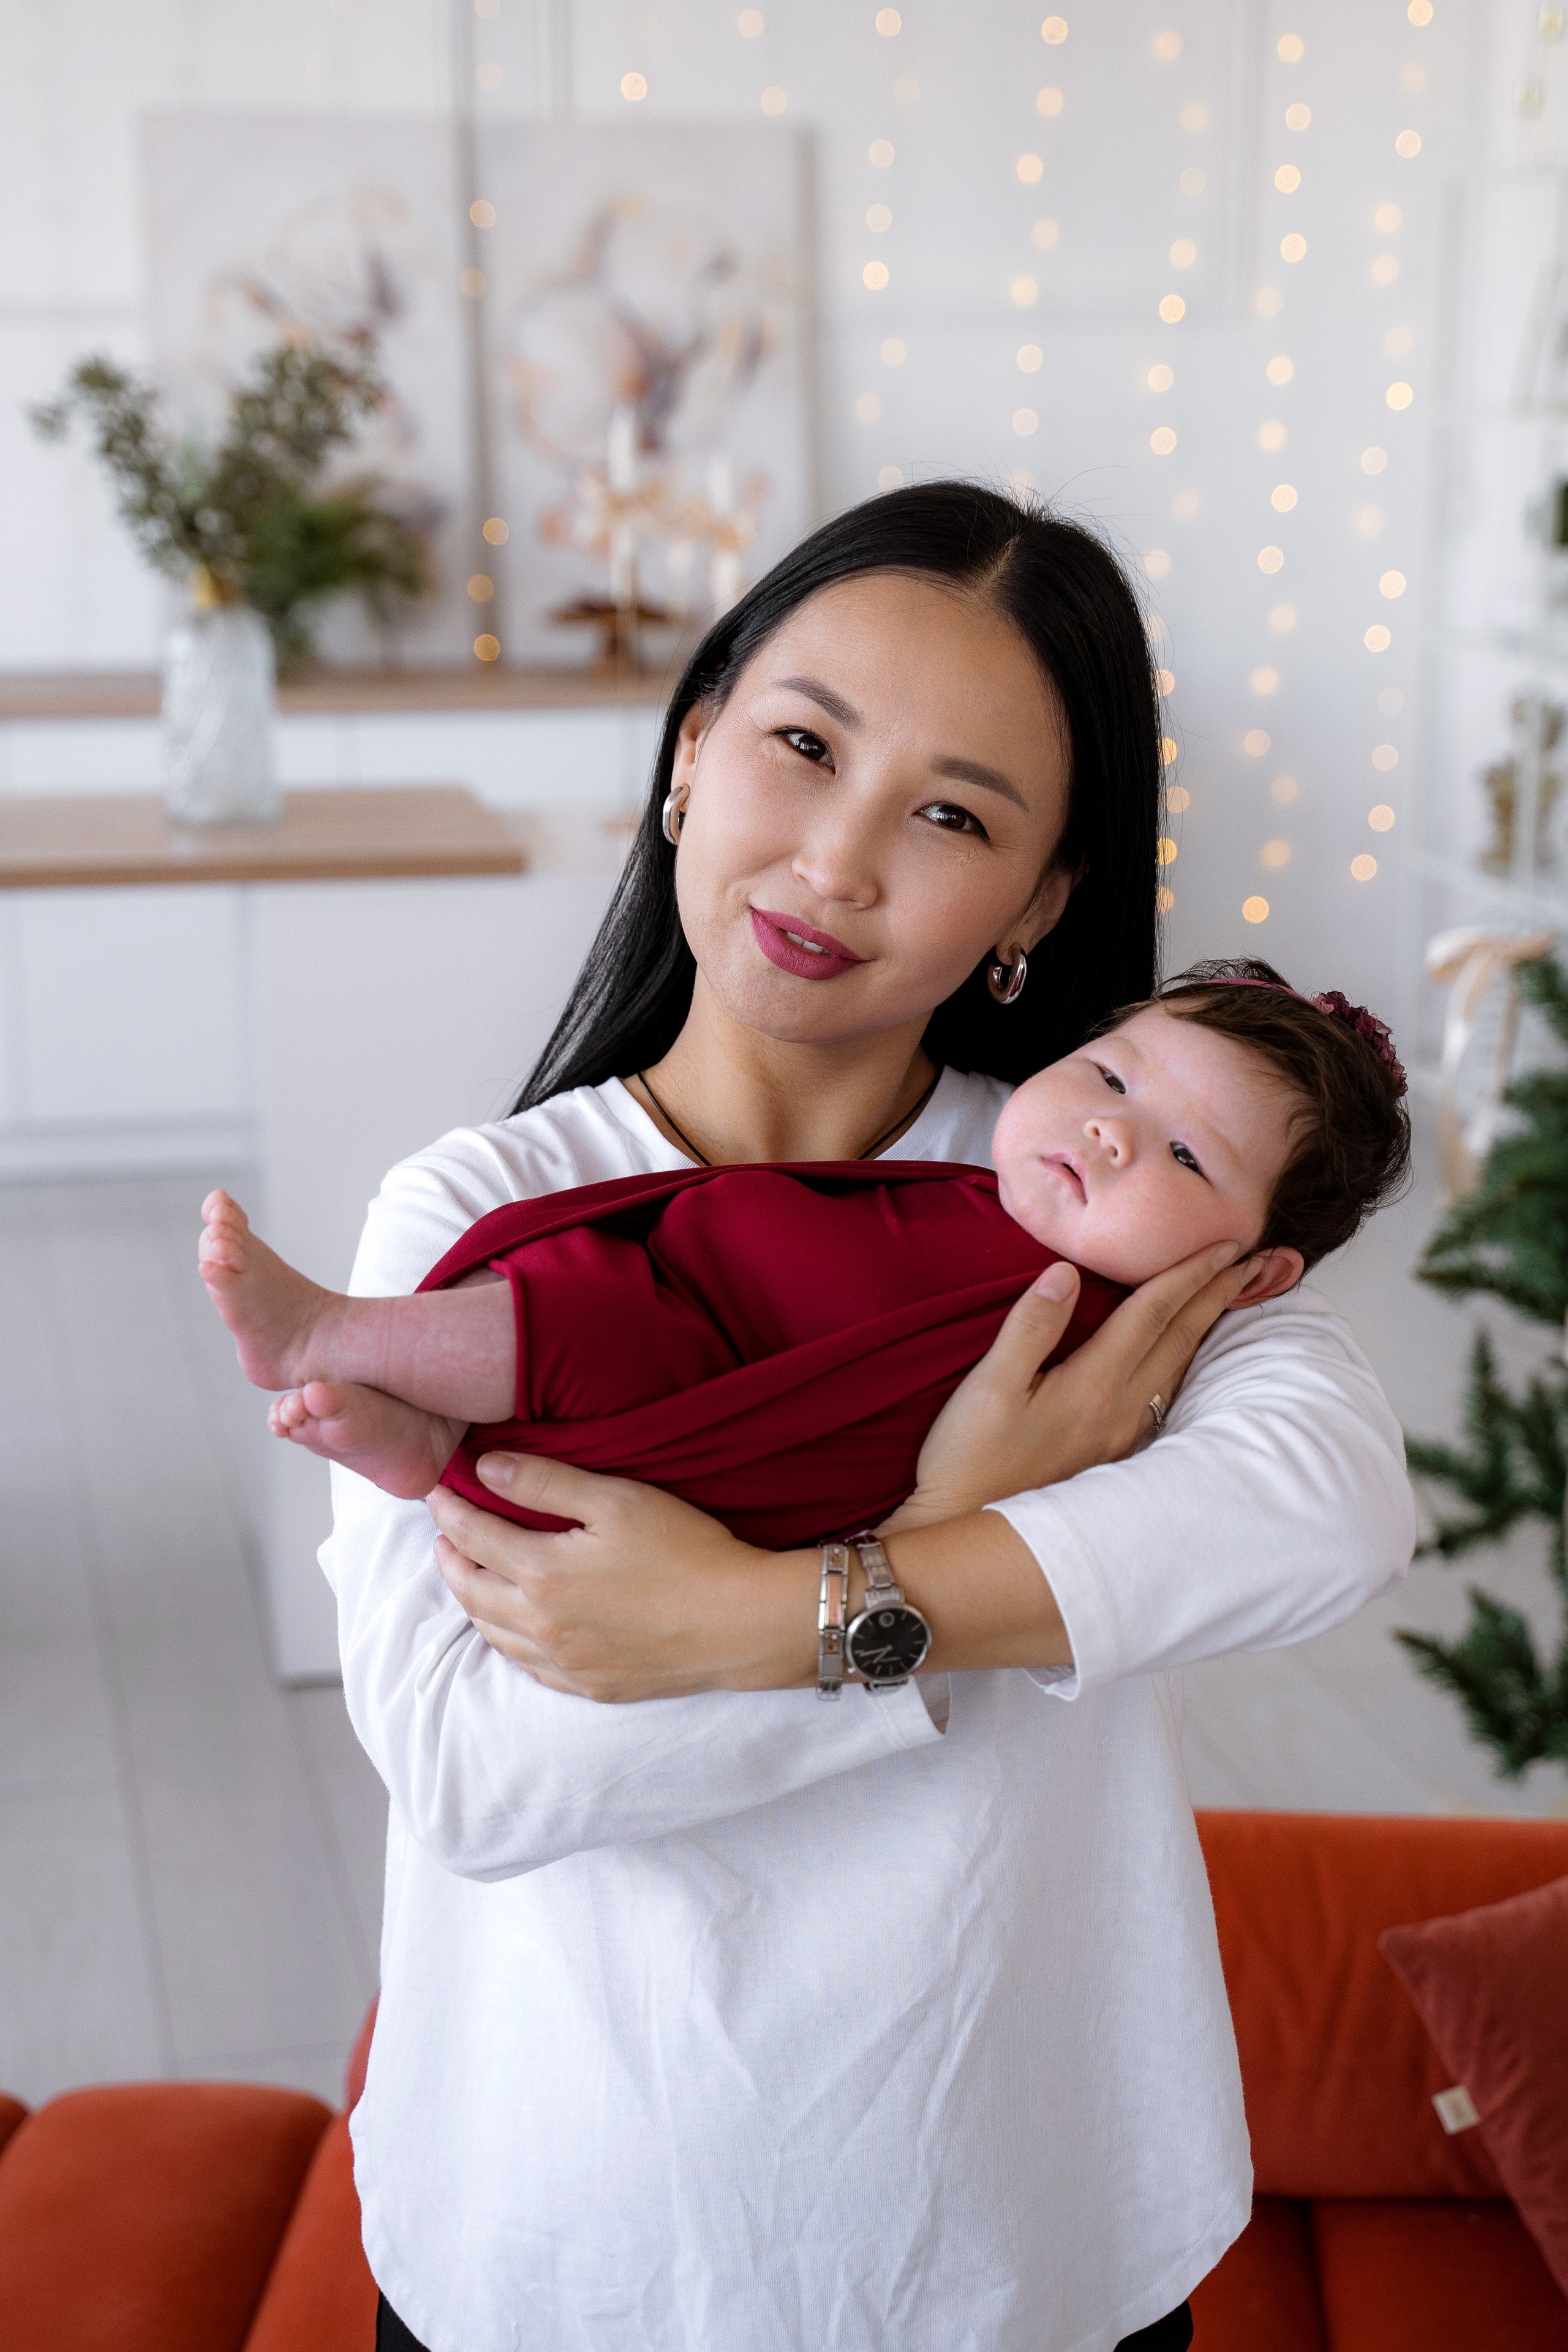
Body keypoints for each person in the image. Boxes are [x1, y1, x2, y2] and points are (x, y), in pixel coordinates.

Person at [314, 483, 1414, 2352]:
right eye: (803, 747)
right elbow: (483, 1776)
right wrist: (961, 1560)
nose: (833, 861)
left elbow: (1326, 1505)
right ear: (689, 758)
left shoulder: (1105, 1196)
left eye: (953, 815)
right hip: (571, 2236)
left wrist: (775, 1611)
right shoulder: (474, 1224)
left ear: (1042, 904)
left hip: (1021, 2226)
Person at [195, 961, 1411, 1561]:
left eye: (1184, 1156)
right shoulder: (971, 1177)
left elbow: (1339, 1512)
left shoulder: (1131, 1342)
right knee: (571, 1286)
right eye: (1108, 1077)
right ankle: (428, 1444)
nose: (1108, 1128)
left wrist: (936, 1527)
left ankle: (331, 1340)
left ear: (1250, 1273)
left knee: (588, 1319)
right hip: (690, 1308)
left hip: (704, 1389)